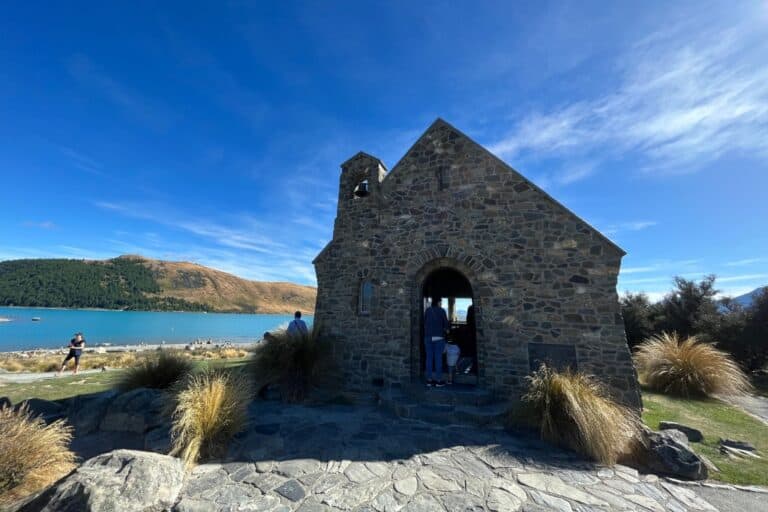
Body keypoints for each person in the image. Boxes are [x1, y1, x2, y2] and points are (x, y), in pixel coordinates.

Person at [424, 297, 449, 387]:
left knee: (429, 358)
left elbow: (425, 322)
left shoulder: (427, 310)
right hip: (439, 337)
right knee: (438, 358)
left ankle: (429, 380)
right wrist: (447, 330)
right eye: (440, 302)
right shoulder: (441, 311)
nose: (441, 304)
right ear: (438, 302)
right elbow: (446, 324)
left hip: (428, 337)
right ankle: (438, 380)